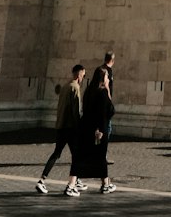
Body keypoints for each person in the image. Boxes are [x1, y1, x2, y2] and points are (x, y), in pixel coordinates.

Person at [67, 66, 115, 195]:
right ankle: (105, 185)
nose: (108, 79)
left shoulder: (89, 90)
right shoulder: (103, 92)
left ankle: (72, 184)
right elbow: (109, 111)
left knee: (81, 157)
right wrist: (108, 90)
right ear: (103, 79)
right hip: (99, 131)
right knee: (100, 157)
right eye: (107, 77)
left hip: (86, 128)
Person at [36, 64, 84, 193]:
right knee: (77, 156)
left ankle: (42, 180)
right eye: (83, 75)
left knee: (56, 153)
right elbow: (76, 111)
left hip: (61, 126)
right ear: (79, 75)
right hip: (71, 128)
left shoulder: (65, 86)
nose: (83, 78)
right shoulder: (75, 87)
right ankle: (72, 184)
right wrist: (79, 127)